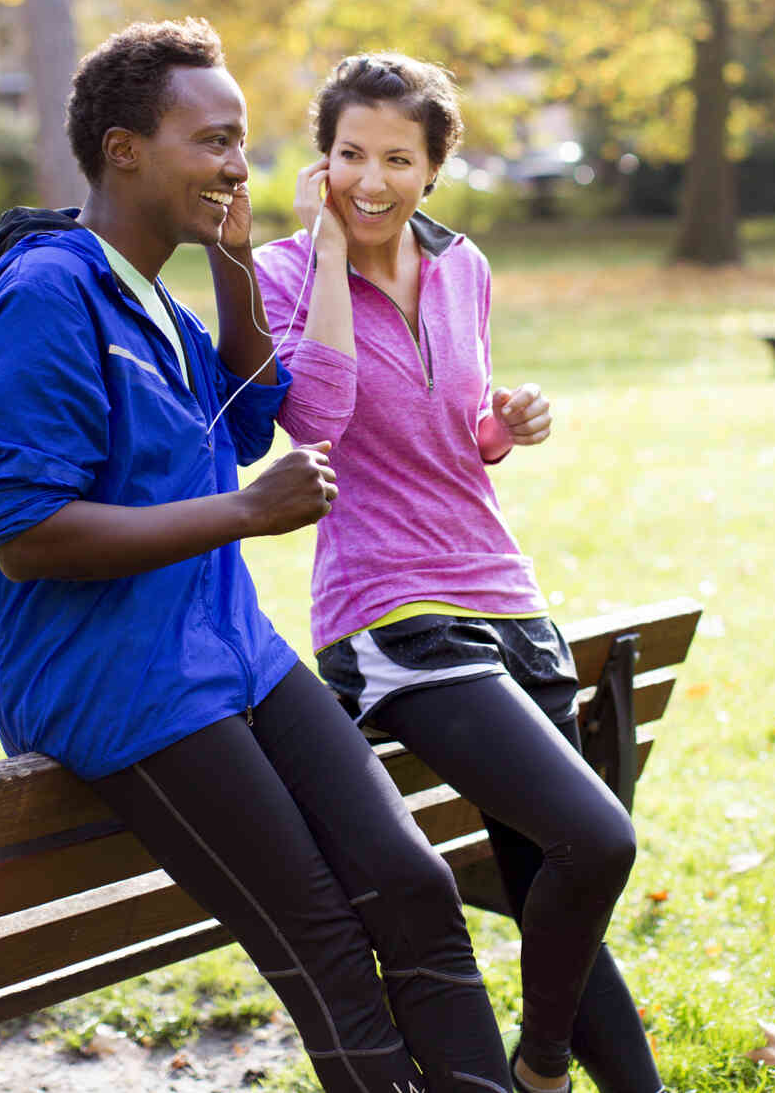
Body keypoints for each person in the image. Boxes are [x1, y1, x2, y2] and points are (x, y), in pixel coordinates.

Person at [0, 20, 512, 1093]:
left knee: (412, 884)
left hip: (226, 650)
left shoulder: (152, 294)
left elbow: (250, 419)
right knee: (329, 947)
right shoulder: (46, 295)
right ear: (125, 148)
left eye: (242, 142)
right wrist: (245, 518)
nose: (234, 165)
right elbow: (26, 536)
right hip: (120, 683)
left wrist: (231, 259)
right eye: (212, 141)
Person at [253, 54, 667, 1093]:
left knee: (546, 873)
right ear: (322, 161)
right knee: (599, 840)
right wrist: (330, 260)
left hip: (508, 599)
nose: (372, 179)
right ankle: (540, 1065)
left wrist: (507, 422)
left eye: (398, 157)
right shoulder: (280, 275)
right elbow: (320, 418)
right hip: (391, 614)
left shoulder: (465, 267)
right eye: (350, 154)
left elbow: (459, 428)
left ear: (436, 168)